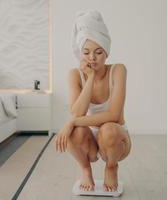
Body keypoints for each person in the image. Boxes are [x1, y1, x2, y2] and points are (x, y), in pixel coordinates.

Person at [55, 10, 132, 192]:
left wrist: (72, 122)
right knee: (74, 133)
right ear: (80, 53)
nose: (92, 58)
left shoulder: (118, 70)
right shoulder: (75, 74)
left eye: (98, 52)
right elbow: (77, 112)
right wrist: (89, 78)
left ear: (106, 51)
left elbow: (113, 115)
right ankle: (85, 169)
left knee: (108, 128)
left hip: (116, 139)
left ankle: (111, 167)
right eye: (86, 52)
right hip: (89, 139)